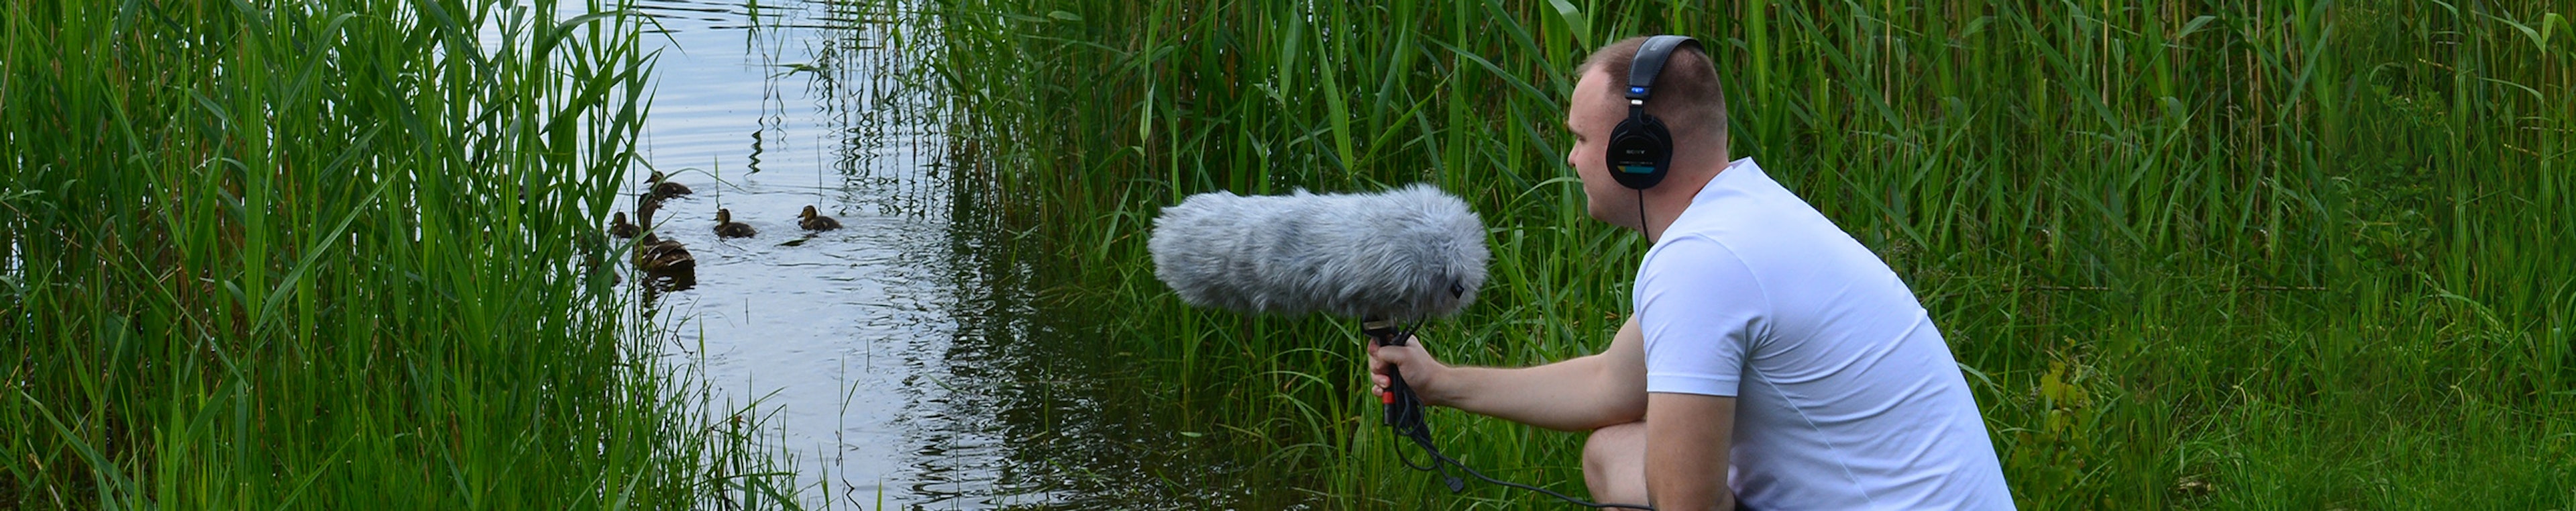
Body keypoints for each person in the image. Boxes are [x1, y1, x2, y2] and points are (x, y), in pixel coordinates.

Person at [1366, 35, 2014, 510]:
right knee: (1612, 451)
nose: (1570, 157)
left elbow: (1687, 505)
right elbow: (1609, 383)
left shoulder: (1702, 262)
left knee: (1644, 474)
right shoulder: (1745, 217)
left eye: (1583, 140)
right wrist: (1441, 383)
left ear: (1638, 155)